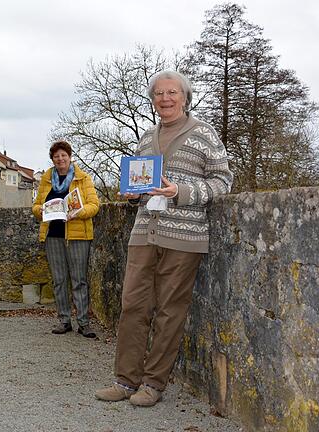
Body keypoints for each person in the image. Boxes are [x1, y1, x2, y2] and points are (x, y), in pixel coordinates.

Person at [95, 70, 233, 407]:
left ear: (185, 97)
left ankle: (153, 385)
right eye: (159, 94)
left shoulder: (204, 134)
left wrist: (179, 191)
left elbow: (223, 182)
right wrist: (130, 193)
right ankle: (125, 380)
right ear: (153, 100)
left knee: (170, 311)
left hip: (183, 237)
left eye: (172, 92)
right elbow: (142, 187)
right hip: (144, 232)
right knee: (132, 306)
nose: (165, 99)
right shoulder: (146, 138)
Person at [32, 140, 100, 338]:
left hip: (78, 235)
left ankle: (84, 323)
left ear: (70, 157)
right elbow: (35, 206)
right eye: (56, 156)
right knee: (59, 280)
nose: (60, 159)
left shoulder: (83, 178)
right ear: (52, 159)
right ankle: (64, 320)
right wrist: (42, 210)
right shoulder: (46, 180)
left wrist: (78, 212)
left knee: (79, 280)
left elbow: (94, 205)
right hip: (53, 235)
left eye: (64, 155)